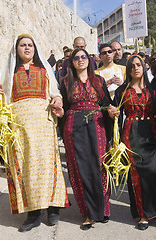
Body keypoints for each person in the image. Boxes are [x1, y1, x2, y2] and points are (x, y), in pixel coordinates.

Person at [0, 34, 69, 232]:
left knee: (47, 165)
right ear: (16, 49)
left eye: (30, 45)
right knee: (25, 167)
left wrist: (58, 100)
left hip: (43, 125)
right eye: (22, 45)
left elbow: (55, 92)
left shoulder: (44, 69)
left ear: (35, 48)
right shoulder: (9, 72)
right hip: (19, 128)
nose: (26, 48)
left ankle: (52, 208)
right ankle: (32, 214)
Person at [60, 48, 118, 230]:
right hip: (73, 127)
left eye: (83, 56)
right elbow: (64, 104)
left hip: (97, 126)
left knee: (100, 166)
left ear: (89, 60)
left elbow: (106, 102)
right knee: (80, 168)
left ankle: (103, 209)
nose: (80, 60)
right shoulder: (66, 81)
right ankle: (87, 213)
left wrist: (110, 110)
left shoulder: (99, 80)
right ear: (72, 62)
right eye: (76, 58)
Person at [114, 55, 156, 231]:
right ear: (128, 70)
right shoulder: (121, 91)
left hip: (152, 134)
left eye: (138, 65)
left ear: (144, 68)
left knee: (153, 173)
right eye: (132, 66)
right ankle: (143, 214)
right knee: (136, 176)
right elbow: (115, 113)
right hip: (131, 135)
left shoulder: (154, 90)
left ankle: (154, 209)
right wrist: (112, 112)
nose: (136, 69)